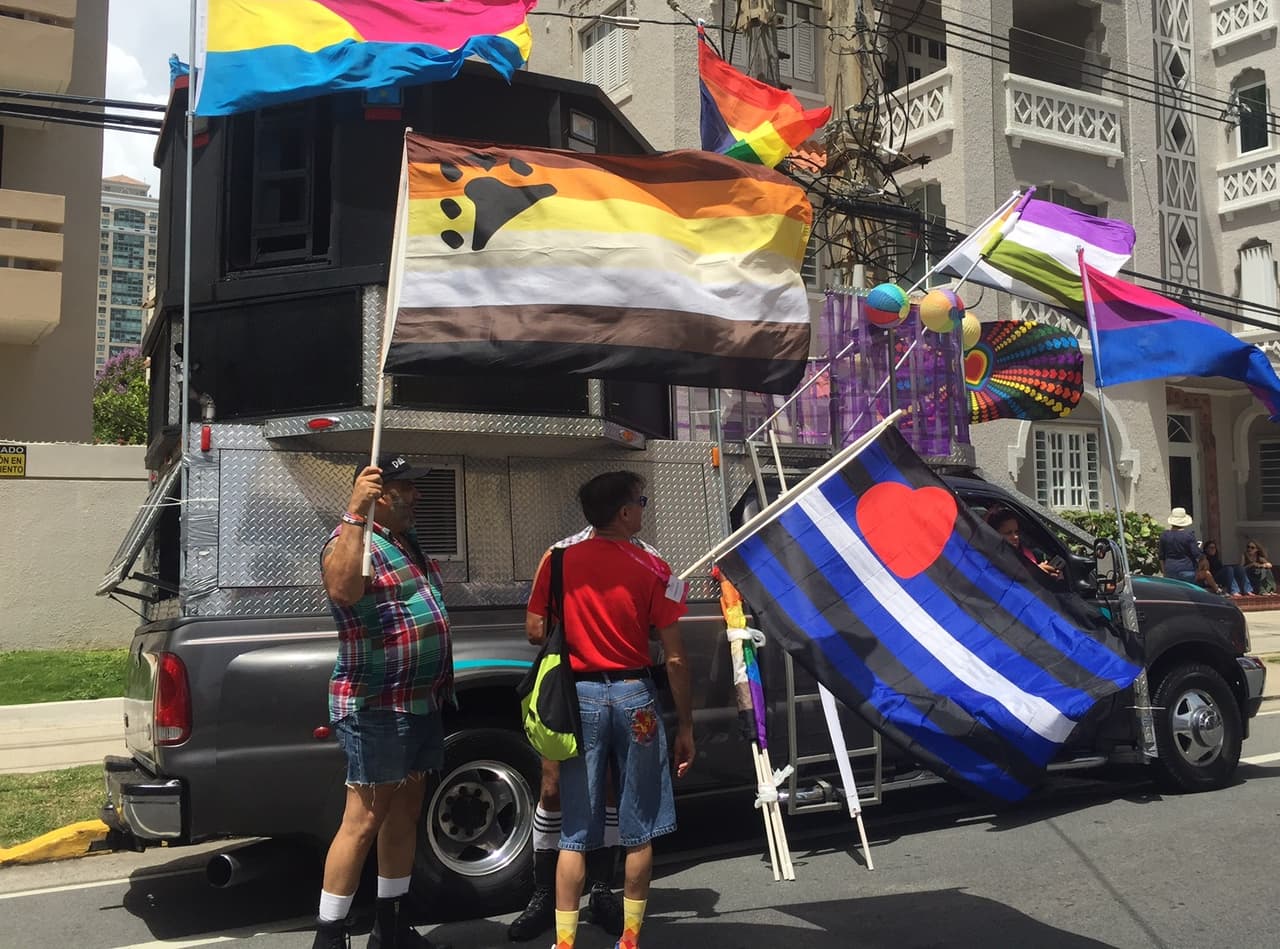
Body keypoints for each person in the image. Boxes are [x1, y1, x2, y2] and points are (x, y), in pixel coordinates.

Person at [527, 471, 695, 949]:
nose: (643, 509)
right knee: (638, 827)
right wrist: (685, 723)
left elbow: (536, 630)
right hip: (634, 696)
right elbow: (676, 658)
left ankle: (564, 942)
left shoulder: (557, 562)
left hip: (580, 699)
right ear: (624, 513)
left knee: (576, 829)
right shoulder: (654, 569)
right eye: (640, 502)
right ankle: (630, 939)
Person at [313, 453, 454, 949]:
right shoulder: (350, 540)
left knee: (404, 813)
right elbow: (343, 588)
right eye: (405, 487)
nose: (416, 495)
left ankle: (391, 928)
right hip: (376, 704)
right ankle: (329, 937)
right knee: (364, 819)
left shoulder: (404, 543)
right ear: (376, 491)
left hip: (418, 703)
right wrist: (354, 512)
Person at [985, 507, 1063, 581]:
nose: (1015, 537)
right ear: (994, 534)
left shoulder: (1027, 554)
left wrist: (1049, 576)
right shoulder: (989, 558)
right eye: (1008, 533)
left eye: (1016, 532)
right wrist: (1035, 573)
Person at [1158, 507, 1201, 584]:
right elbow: (1196, 554)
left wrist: (1164, 571)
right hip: (1187, 569)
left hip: (1170, 569)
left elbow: (1161, 556)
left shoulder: (1164, 535)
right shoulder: (1189, 536)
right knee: (1189, 593)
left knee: (1174, 594)